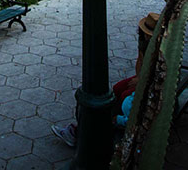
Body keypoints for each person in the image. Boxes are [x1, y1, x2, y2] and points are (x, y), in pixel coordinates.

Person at [51, 12, 160, 147]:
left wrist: (142, 82)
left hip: (155, 81)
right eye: (145, 32)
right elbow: (140, 60)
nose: (146, 35)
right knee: (117, 89)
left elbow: (160, 74)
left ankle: (106, 126)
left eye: (149, 33)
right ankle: (102, 122)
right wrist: (139, 77)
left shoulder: (162, 49)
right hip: (143, 77)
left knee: (125, 96)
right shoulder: (144, 41)